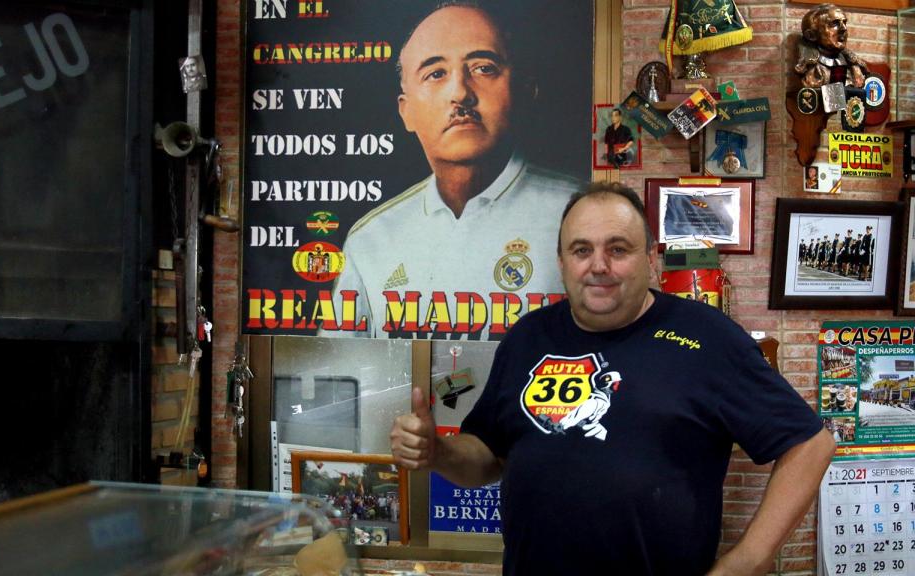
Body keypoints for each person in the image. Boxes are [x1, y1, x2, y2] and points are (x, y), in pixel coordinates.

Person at [390, 182, 835, 574]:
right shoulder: (528, 337)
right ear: (562, 261)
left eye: (617, 249)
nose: (598, 265)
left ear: (650, 258)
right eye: (582, 249)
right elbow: (487, 458)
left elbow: (811, 444)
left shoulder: (708, 338)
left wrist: (744, 564)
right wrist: (439, 452)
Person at [327, 2, 578, 339]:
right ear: (407, 112)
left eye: (483, 68)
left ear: (522, 90)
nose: (460, 93)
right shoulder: (372, 239)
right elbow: (345, 374)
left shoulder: (579, 212)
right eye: (435, 73)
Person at [794, 4, 867, 89]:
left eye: (844, 22)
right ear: (811, 35)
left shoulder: (854, 67)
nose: (844, 29)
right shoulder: (810, 70)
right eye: (834, 23)